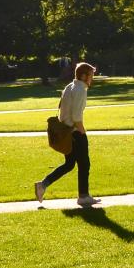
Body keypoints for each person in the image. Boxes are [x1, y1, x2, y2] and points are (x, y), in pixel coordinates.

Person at [34, 61, 99, 206]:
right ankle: (83, 196)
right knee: (84, 164)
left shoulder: (70, 86)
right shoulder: (81, 90)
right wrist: (82, 131)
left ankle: (42, 185)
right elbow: (76, 117)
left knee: (69, 164)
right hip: (75, 132)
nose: (92, 78)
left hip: (66, 132)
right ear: (83, 76)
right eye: (91, 75)